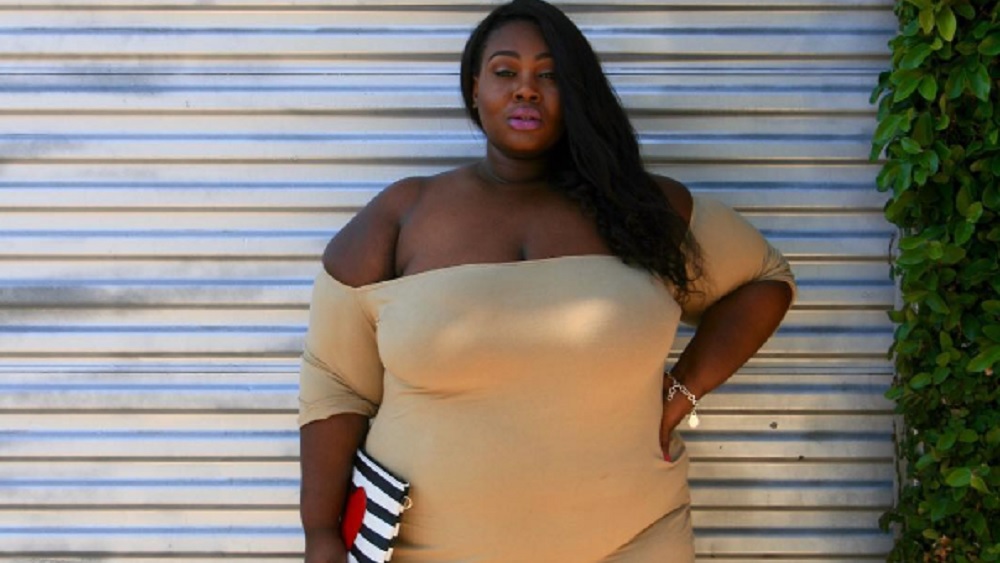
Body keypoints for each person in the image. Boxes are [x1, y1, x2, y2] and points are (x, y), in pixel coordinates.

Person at [297, 0, 795, 560]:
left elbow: (764, 279)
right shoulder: (402, 216)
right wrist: (320, 536)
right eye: (505, 71)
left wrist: (684, 390)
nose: (526, 90)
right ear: (475, 89)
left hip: (634, 541)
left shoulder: (642, 210)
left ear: (576, 92)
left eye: (550, 75)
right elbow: (335, 383)